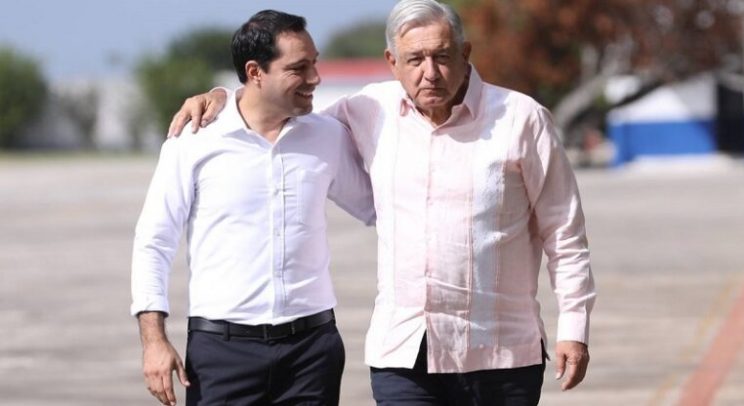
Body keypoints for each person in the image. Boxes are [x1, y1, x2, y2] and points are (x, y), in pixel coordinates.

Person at [169, 1, 596, 404]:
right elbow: (278, 108)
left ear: (465, 54)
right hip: (403, 357)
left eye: (442, 56)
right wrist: (223, 96)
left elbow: (565, 232)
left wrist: (574, 327)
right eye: (415, 60)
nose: (430, 73)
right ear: (392, 62)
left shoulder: (521, 119)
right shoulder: (369, 109)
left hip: (501, 355)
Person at [131, 10, 375, 406]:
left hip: (311, 355)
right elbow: (153, 242)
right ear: (255, 72)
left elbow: (379, 208)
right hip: (221, 355)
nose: (315, 77)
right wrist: (153, 341)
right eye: (298, 68)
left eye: (314, 63)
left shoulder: (327, 136)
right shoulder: (194, 139)